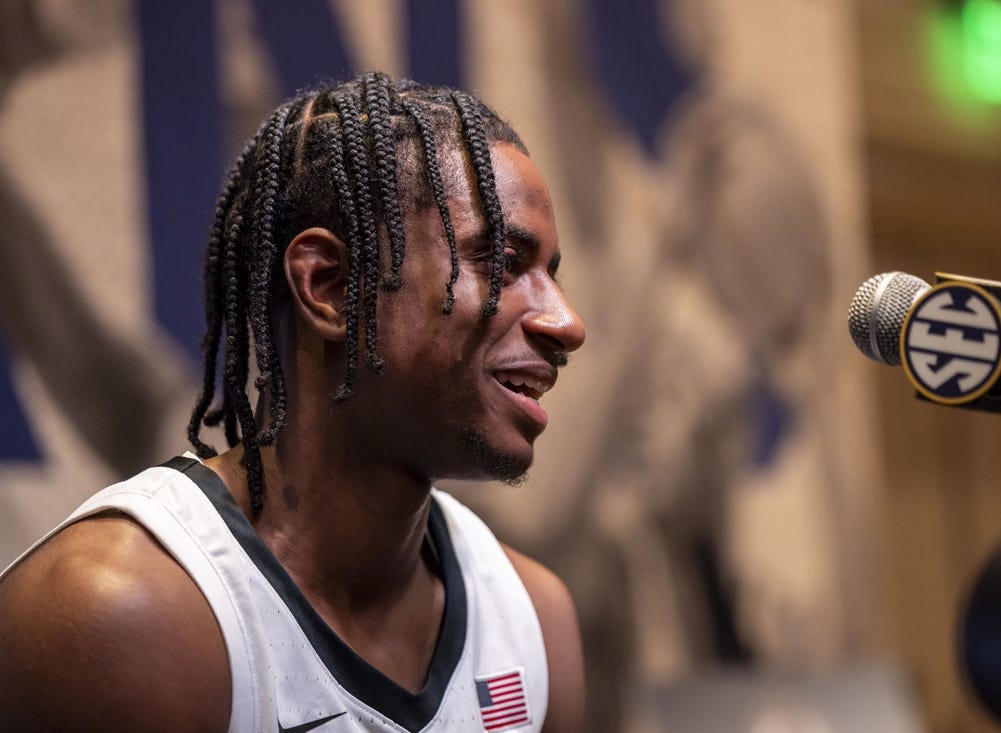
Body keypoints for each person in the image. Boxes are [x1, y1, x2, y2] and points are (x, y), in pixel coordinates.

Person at [0, 71, 586, 732]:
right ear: (329, 286)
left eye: (551, 275)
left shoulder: (532, 622)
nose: (567, 323)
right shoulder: (124, 617)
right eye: (504, 263)